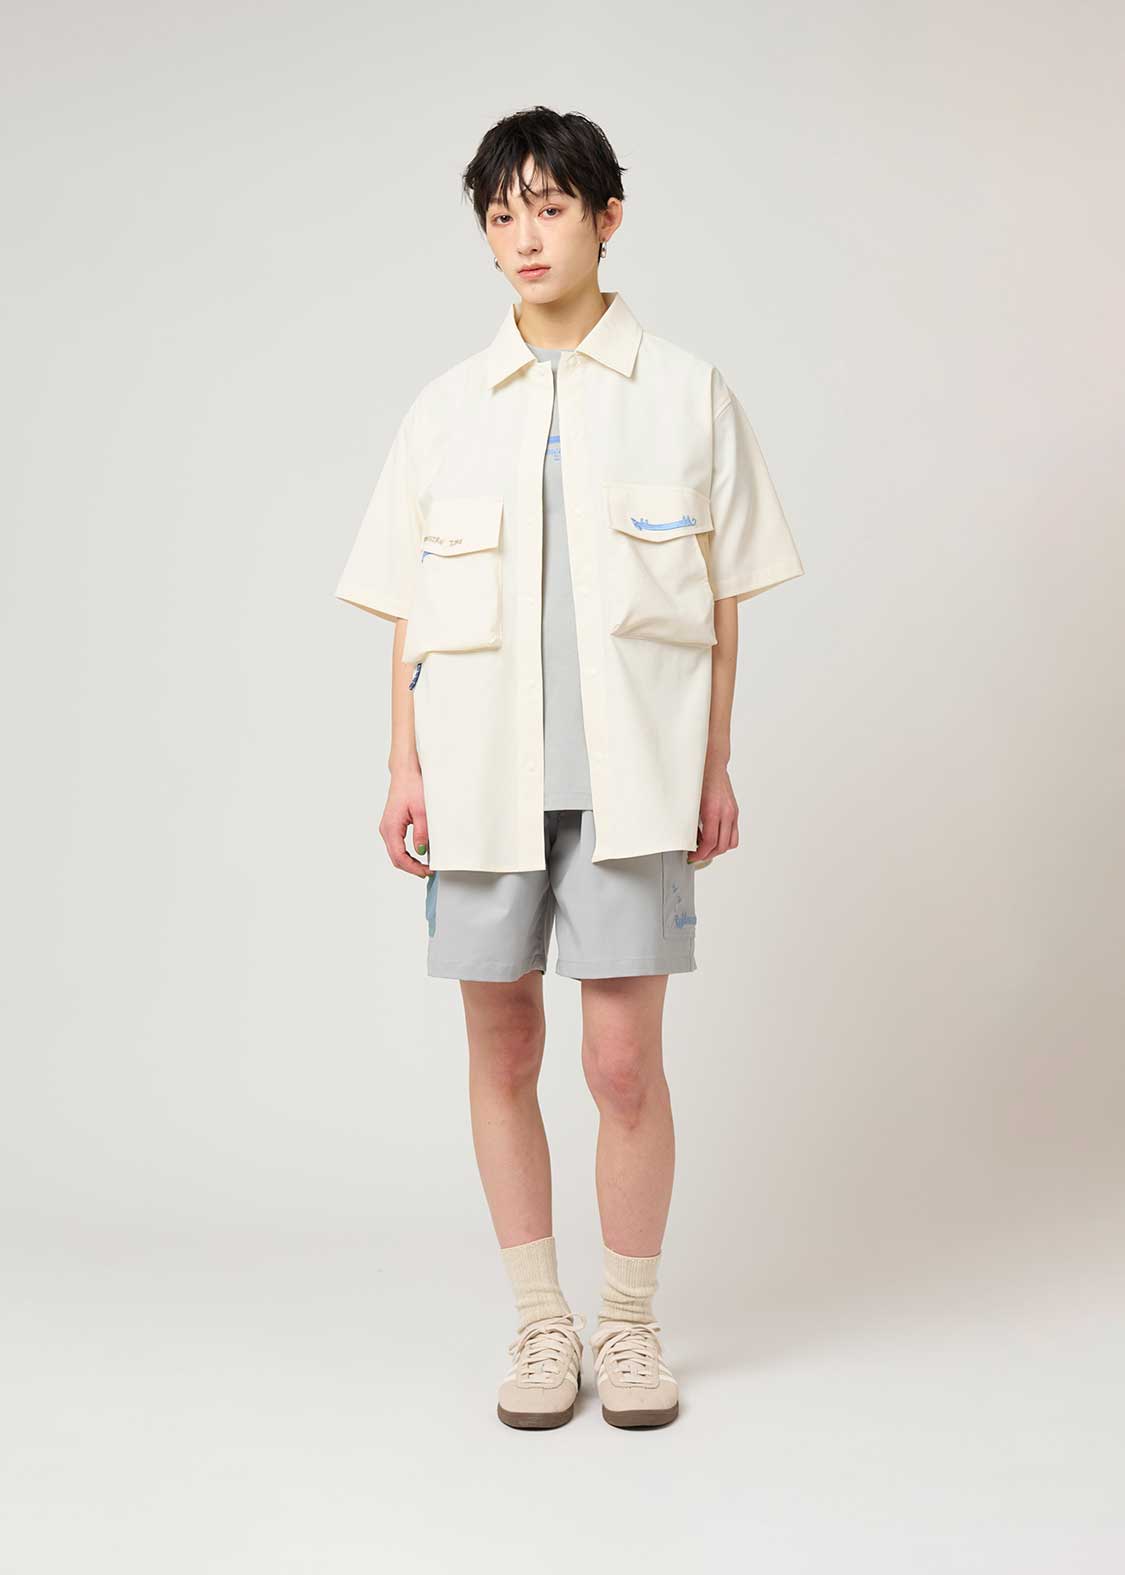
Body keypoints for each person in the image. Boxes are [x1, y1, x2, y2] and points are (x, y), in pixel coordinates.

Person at [335, 106, 804, 1430]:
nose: (524, 237)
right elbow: (411, 609)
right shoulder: (444, 413)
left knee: (619, 1066)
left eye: (548, 207)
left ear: (607, 216)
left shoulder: (687, 394)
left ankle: (630, 1327)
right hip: (477, 779)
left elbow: (722, 601)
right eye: (501, 215)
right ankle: (541, 1324)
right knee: (500, 1049)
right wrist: (401, 766)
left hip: (633, 784)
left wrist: (714, 762)